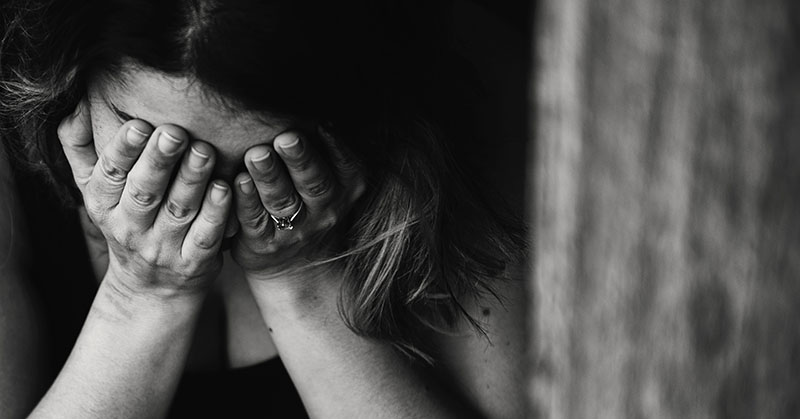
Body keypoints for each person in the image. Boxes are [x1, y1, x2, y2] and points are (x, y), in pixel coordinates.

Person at [0, 0, 528, 417]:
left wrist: (300, 281)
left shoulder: (475, 92)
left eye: (266, 161)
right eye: (154, 146)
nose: (205, 200)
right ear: (70, 76)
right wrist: (139, 296)